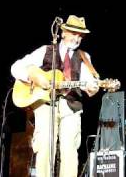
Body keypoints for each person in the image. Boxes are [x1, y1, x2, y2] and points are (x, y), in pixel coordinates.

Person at [10, 15, 99, 177]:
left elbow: (89, 84)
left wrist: (93, 87)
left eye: (80, 35)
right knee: (44, 147)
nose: (77, 38)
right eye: (73, 33)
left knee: (70, 150)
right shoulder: (45, 50)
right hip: (45, 105)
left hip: (71, 106)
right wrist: (33, 75)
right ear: (63, 32)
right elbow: (16, 67)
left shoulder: (84, 57)